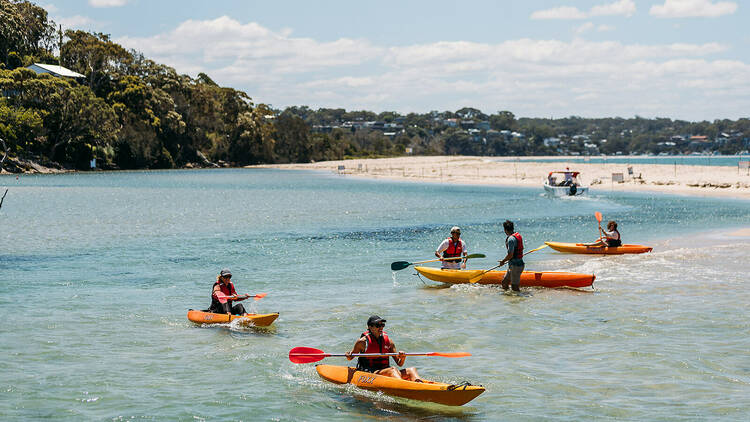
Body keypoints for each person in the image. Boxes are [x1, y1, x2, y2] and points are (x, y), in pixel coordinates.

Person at [346, 315, 421, 381]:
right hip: (371, 373)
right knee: (393, 370)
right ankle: (405, 387)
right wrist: (348, 354)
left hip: (386, 372)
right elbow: (350, 357)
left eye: (382, 325)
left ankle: (420, 386)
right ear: (370, 327)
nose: (381, 327)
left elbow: (399, 363)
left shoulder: (389, 342)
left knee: (411, 370)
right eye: (378, 325)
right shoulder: (362, 342)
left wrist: (403, 357)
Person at [498, 220, 524, 292]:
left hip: (516, 266)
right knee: (504, 283)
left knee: (514, 287)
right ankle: (507, 299)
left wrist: (503, 261)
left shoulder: (511, 239)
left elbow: (510, 255)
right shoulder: (517, 235)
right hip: (514, 264)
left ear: (505, 230)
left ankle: (518, 301)